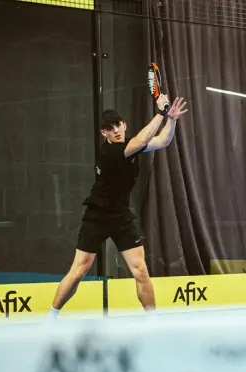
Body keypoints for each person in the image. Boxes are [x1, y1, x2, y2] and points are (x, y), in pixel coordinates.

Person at [47, 94, 188, 321]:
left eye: (118, 125)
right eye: (110, 129)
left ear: (124, 125)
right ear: (104, 133)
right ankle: (50, 319)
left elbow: (162, 141)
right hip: (97, 215)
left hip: (121, 216)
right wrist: (160, 113)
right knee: (79, 271)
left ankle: (154, 323)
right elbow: (142, 141)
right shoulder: (110, 152)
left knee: (140, 270)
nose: (116, 131)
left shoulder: (131, 145)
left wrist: (170, 119)